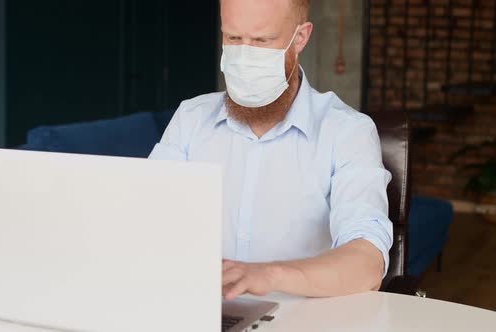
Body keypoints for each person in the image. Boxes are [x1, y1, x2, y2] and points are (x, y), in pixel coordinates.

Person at [149, 0, 393, 300]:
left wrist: (268, 275)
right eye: (233, 38)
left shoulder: (347, 132)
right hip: (200, 311)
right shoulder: (191, 119)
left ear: (300, 38)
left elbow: (367, 264)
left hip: (302, 319)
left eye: (262, 41)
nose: (244, 55)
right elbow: (146, 217)